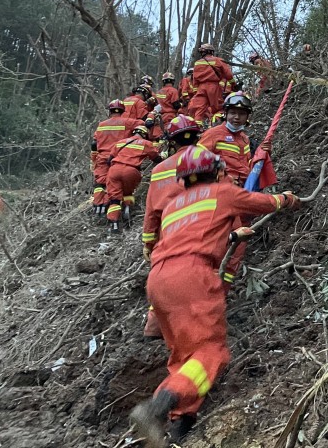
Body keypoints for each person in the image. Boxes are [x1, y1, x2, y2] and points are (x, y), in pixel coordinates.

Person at [128, 148, 301, 447]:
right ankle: (157, 406)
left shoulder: (172, 204)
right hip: (192, 275)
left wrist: (230, 237)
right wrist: (286, 199)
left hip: (158, 280)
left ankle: (180, 426)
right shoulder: (222, 191)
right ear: (218, 170)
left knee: (184, 355)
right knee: (211, 352)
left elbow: (193, 232)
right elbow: (265, 202)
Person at [140, 115, 205, 339]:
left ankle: (154, 327)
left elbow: (151, 213)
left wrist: (148, 243)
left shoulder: (159, 171)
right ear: (197, 138)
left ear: (171, 141)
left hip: (168, 234)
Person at [198, 92, 266, 186]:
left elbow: (247, 167)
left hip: (242, 188)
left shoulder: (244, 139)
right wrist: (222, 178)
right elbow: (197, 161)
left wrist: (262, 153)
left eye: (242, 114)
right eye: (233, 113)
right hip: (219, 188)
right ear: (225, 114)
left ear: (247, 117)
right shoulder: (213, 134)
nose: (237, 117)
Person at [106, 125, 162, 232]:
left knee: (114, 199)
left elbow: (109, 160)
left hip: (114, 169)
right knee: (128, 193)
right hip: (131, 171)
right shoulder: (146, 143)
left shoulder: (121, 142)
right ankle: (128, 214)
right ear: (145, 135)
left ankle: (114, 225)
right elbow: (156, 158)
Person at [91, 100, 143, 215]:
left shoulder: (101, 125)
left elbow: (94, 143)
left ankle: (99, 206)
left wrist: (94, 158)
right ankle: (121, 208)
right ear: (123, 111)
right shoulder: (128, 122)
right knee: (118, 183)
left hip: (102, 157)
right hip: (118, 158)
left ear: (110, 111)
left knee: (100, 182)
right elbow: (142, 125)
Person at [189, 43, 233, 125]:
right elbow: (229, 75)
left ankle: (198, 127)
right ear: (211, 52)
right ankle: (215, 125)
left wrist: (196, 91)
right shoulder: (218, 60)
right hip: (214, 86)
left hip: (201, 88)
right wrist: (233, 85)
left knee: (199, 109)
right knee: (218, 108)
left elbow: (195, 79)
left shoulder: (197, 63)